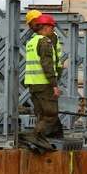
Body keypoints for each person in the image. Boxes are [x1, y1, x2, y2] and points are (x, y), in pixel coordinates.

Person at [27, 9, 66, 138]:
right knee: (50, 114)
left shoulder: (32, 41)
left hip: (33, 84)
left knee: (41, 114)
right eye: (51, 27)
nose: (53, 30)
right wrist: (54, 84)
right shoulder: (45, 41)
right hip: (45, 84)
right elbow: (47, 64)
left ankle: (54, 138)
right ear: (45, 27)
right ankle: (35, 139)